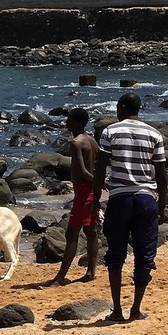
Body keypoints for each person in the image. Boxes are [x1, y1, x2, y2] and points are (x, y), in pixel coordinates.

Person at [93, 93, 166, 322]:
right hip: (146, 199)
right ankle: (136, 308)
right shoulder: (154, 134)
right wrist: (162, 207)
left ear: (122, 107)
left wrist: (95, 201)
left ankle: (117, 309)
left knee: (116, 254)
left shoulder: (110, 132)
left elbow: (101, 169)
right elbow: (162, 175)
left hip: (120, 198)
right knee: (144, 255)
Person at [47, 107, 99, 286]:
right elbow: (97, 164)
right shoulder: (91, 141)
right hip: (91, 191)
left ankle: (60, 278)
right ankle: (91, 271)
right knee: (91, 232)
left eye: (69, 120)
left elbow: (84, 172)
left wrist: (100, 182)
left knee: (72, 234)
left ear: (77, 122)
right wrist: (99, 182)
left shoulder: (76, 142)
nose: (66, 123)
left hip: (84, 191)